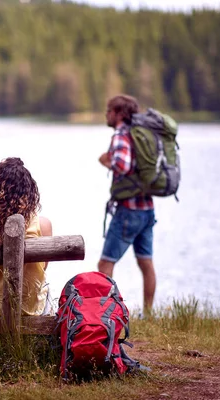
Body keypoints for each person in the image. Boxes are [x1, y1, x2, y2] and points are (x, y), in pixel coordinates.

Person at [0, 157, 53, 318]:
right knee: (45, 286)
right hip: (32, 306)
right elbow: (43, 267)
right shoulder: (43, 225)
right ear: (30, 192)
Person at [98, 95, 157, 314]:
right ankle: (149, 314)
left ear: (120, 113)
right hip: (147, 209)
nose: (107, 114)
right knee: (146, 263)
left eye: (109, 110)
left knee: (105, 265)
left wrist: (106, 160)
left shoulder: (122, 135)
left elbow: (122, 165)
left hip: (128, 211)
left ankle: (105, 315)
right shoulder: (141, 136)